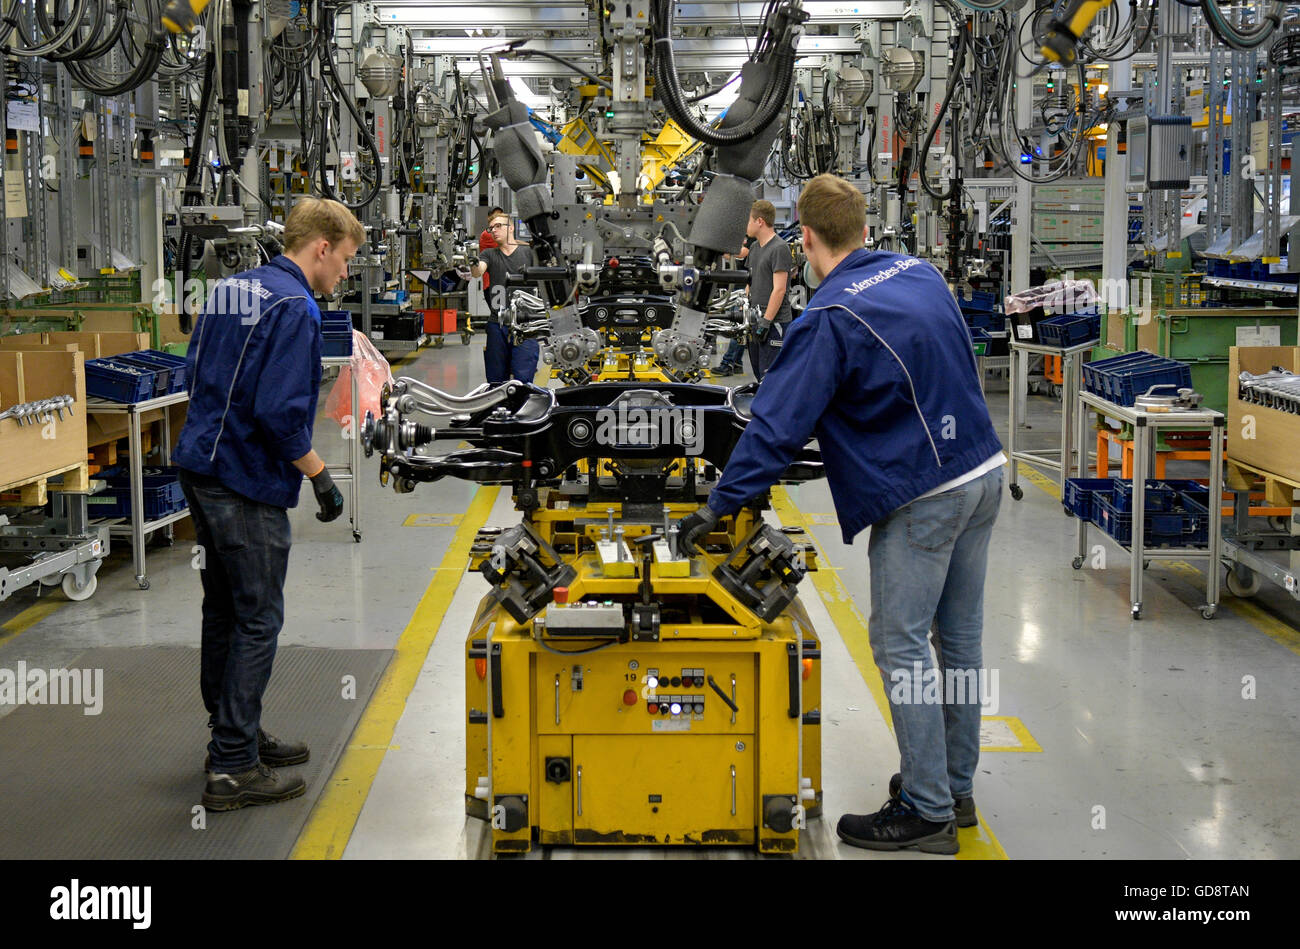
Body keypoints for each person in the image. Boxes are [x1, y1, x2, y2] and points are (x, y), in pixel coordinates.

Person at [677, 174, 1005, 854]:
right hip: (984, 469)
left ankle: (926, 808)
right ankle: (955, 785)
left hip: (926, 493)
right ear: (862, 227)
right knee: (961, 640)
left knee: (902, 644)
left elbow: (775, 428)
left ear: (806, 238)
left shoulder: (829, 317)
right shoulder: (920, 271)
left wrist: (720, 505)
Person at [173, 196, 362, 811]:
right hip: (244, 479)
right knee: (257, 618)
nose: (344, 276)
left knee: (225, 611)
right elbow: (281, 417)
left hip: (201, 464)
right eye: (345, 262)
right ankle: (232, 769)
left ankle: (235, 735)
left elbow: (194, 373)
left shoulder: (232, 288)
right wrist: (320, 477)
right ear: (321, 248)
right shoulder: (297, 307)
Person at [470, 211, 540, 385]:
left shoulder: (529, 253)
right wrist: (471, 262)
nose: (494, 230)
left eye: (498, 226)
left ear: (511, 227)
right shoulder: (490, 254)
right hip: (497, 324)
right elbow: (478, 271)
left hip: (526, 324)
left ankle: (522, 410)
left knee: (523, 380)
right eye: (491, 228)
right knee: (496, 381)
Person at [743, 199, 794, 382]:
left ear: (760, 222)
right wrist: (743, 303)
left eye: (748, 220)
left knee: (772, 378)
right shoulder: (755, 248)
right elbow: (751, 280)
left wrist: (766, 321)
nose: (746, 225)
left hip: (774, 324)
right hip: (756, 322)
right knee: (759, 374)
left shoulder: (779, 248)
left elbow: (779, 290)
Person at [714, 236, 752, 377]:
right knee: (739, 330)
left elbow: (738, 252)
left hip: (742, 295)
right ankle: (737, 364)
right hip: (735, 294)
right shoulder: (736, 251)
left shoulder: (747, 250)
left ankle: (727, 364)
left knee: (736, 330)